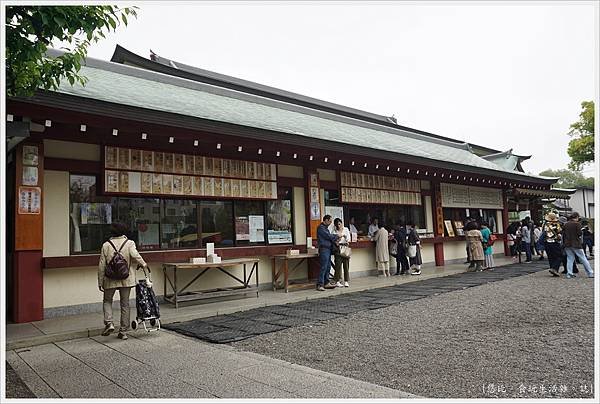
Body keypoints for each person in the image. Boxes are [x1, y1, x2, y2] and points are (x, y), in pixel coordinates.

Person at [98, 222, 148, 340]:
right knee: (125, 304)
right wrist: (144, 265)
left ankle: (109, 323)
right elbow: (136, 256)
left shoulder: (106, 245)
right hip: (126, 278)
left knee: (107, 301)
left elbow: (101, 265)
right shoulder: (129, 243)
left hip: (109, 279)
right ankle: (123, 331)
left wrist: (100, 281)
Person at [562, 212, 594, 279]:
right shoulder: (577, 224)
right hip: (576, 244)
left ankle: (569, 273)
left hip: (567, 244)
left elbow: (563, 234)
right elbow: (579, 234)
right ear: (576, 217)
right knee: (583, 258)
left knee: (570, 259)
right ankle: (590, 273)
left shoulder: (565, 224)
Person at [317, 215, 339, 291]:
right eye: (329, 221)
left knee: (328, 266)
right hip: (324, 249)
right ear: (325, 220)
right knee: (323, 266)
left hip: (328, 249)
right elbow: (328, 236)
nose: (330, 223)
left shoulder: (326, 228)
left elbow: (329, 237)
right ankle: (320, 284)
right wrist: (337, 236)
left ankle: (326, 282)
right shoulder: (321, 228)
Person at [331, 218, 351, 287]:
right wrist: (337, 240)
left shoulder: (346, 229)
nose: (339, 226)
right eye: (337, 225)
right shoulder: (334, 231)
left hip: (345, 248)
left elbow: (348, 239)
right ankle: (337, 280)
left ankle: (346, 281)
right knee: (337, 265)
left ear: (342, 223)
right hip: (337, 249)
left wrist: (344, 237)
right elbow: (332, 239)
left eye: (340, 224)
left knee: (346, 265)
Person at [543, 212, 563, 277]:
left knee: (550, 257)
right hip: (554, 242)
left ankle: (553, 269)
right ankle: (554, 269)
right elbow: (559, 233)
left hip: (546, 242)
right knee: (559, 256)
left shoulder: (544, 224)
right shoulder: (556, 224)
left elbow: (543, 233)